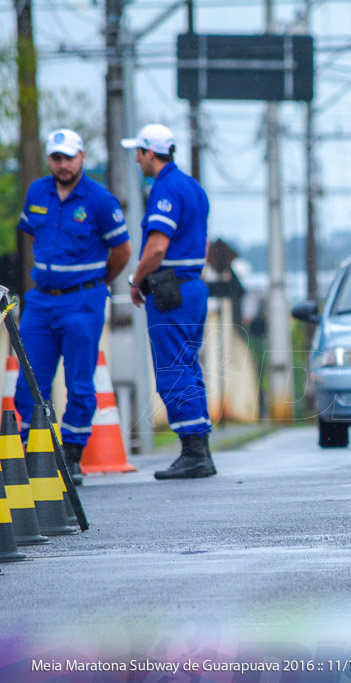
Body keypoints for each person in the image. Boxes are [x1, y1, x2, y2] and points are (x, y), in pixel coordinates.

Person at [14, 128, 131, 485]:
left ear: (82, 157)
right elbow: (31, 234)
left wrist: (94, 283)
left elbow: (122, 251)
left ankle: (72, 455)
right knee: (29, 383)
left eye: (68, 157)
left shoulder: (100, 200)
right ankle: (35, 451)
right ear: (50, 159)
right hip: (40, 303)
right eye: (56, 158)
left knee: (79, 382)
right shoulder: (37, 191)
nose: (62, 165)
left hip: (83, 301)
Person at [121, 124, 214, 479]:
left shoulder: (166, 188)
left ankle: (194, 454)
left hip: (170, 289)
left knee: (173, 370)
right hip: (191, 287)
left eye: (138, 152)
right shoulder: (192, 187)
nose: (136, 159)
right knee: (188, 367)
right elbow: (202, 244)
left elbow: (157, 247)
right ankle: (199, 450)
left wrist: (137, 279)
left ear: (149, 152)